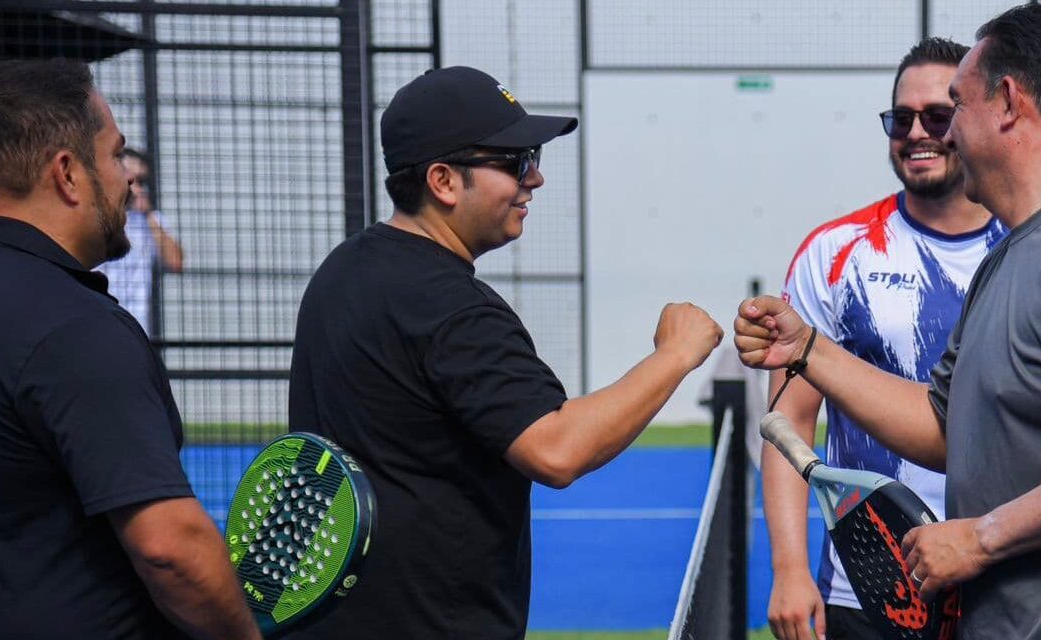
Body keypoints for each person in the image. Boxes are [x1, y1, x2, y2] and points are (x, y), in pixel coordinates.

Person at [737, 5, 1041, 638]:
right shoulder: (1015, 252)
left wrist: (980, 540)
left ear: (1007, 102)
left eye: (955, 105)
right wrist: (809, 348)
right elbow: (946, 425)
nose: (944, 133)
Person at [285, 66, 723, 640]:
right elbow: (558, 449)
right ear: (443, 181)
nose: (535, 178)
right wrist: (675, 353)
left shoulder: (345, 269)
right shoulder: (451, 307)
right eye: (515, 161)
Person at [0, 59, 260, 640]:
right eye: (115, 155)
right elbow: (170, 549)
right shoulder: (76, 328)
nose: (127, 177)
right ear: (68, 173)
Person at [762, 37, 1005, 640]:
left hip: (1005, 578)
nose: (916, 131)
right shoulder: (835, 253)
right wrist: (790, 570)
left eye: (938, 115)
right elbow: (786, 422)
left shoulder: (1031, 244)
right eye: (901, 118)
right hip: (869, 586)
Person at [98, 147, 184, 336]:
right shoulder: (96, 215)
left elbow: (175, 262)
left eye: (141, 180)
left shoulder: (150, 220)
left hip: (136, 323)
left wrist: (148, 213)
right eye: (130, 177)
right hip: (98, 318)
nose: (135, 185)